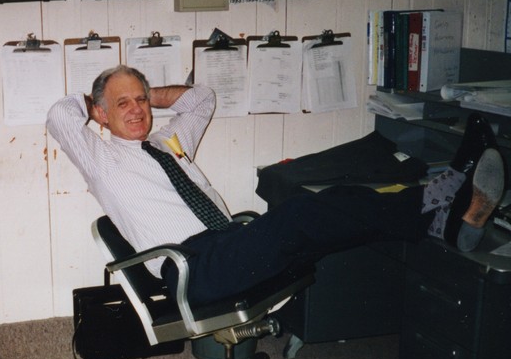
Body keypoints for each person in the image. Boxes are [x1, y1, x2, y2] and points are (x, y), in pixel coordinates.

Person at [47, 65, 505, 306]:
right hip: (192, 267)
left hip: (230, 244)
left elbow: (201, 98)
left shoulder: (168, 142)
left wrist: (148, 93)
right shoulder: (100, 159)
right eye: (122, 104)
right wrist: (99, 103)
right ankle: (435, 198)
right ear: (101, 114)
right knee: (301, 215)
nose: (137, 109)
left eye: (141, 100)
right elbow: (59, 116)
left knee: (333, 201)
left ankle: (443, 222)